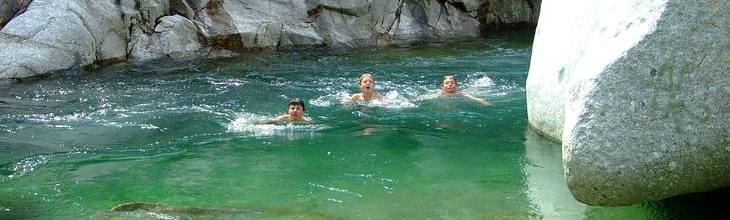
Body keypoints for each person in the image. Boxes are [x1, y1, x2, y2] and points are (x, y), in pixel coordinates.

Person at [418, 75, 493, 107]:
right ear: (443, 86)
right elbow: (426, 97)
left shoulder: (460, 93)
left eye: (452, 83)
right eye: (447, 83)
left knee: (476, 89)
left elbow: (473, 98)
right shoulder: (439, 94)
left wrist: (484, 102)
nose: (449, 84)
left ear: (456, 85)